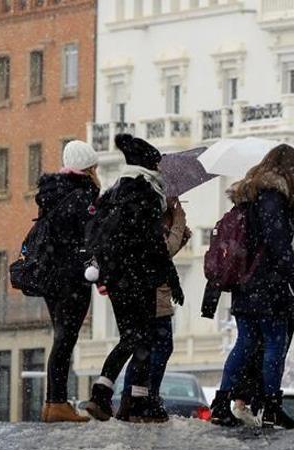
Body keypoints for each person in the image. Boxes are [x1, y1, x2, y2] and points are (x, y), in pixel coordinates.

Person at [84, 134, 184, 423]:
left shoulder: (115, 191)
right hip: (138, 278)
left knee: (134, 338)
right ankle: (121, 399)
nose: (160, 169)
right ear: (148, 165)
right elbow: (153, 242)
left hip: (116, 279)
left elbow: (94, 231)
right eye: (157, 163)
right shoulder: (146, 192)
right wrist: (172, 277)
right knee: (140, 339)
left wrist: (104, 269)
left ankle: (114, 396)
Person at [208, 144, 294, 429]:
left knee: (246, 342)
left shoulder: (248, 195)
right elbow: (277, 243)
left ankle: (220, 403)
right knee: (275, 343)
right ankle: (272, 406)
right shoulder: (273, 198)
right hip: (267, 285)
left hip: (244, 283)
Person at [230, 213, 294, 426]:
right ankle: (268, 405)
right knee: (275, 349)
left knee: (249, 345)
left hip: (251, 289)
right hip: (286, 292)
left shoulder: (251, 212)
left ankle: (239, 400)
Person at [37, 141, 101, 423]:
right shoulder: (83, 196)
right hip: (73, 277)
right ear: (88, 169)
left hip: (51, 276)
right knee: (66, 337)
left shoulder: (52, 193)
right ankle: (57, 402)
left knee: (60, 335)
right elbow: (89, 237)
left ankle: (53, 402)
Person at [115, 198, 191, 421]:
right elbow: (163, 253)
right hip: (151, 292)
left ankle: (137, 398)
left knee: (148, 349)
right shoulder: (151, 217)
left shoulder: (151, 216)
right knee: (155, 347)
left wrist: (179, 232)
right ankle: (144, 398)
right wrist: (178, 221)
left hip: (153, 291)